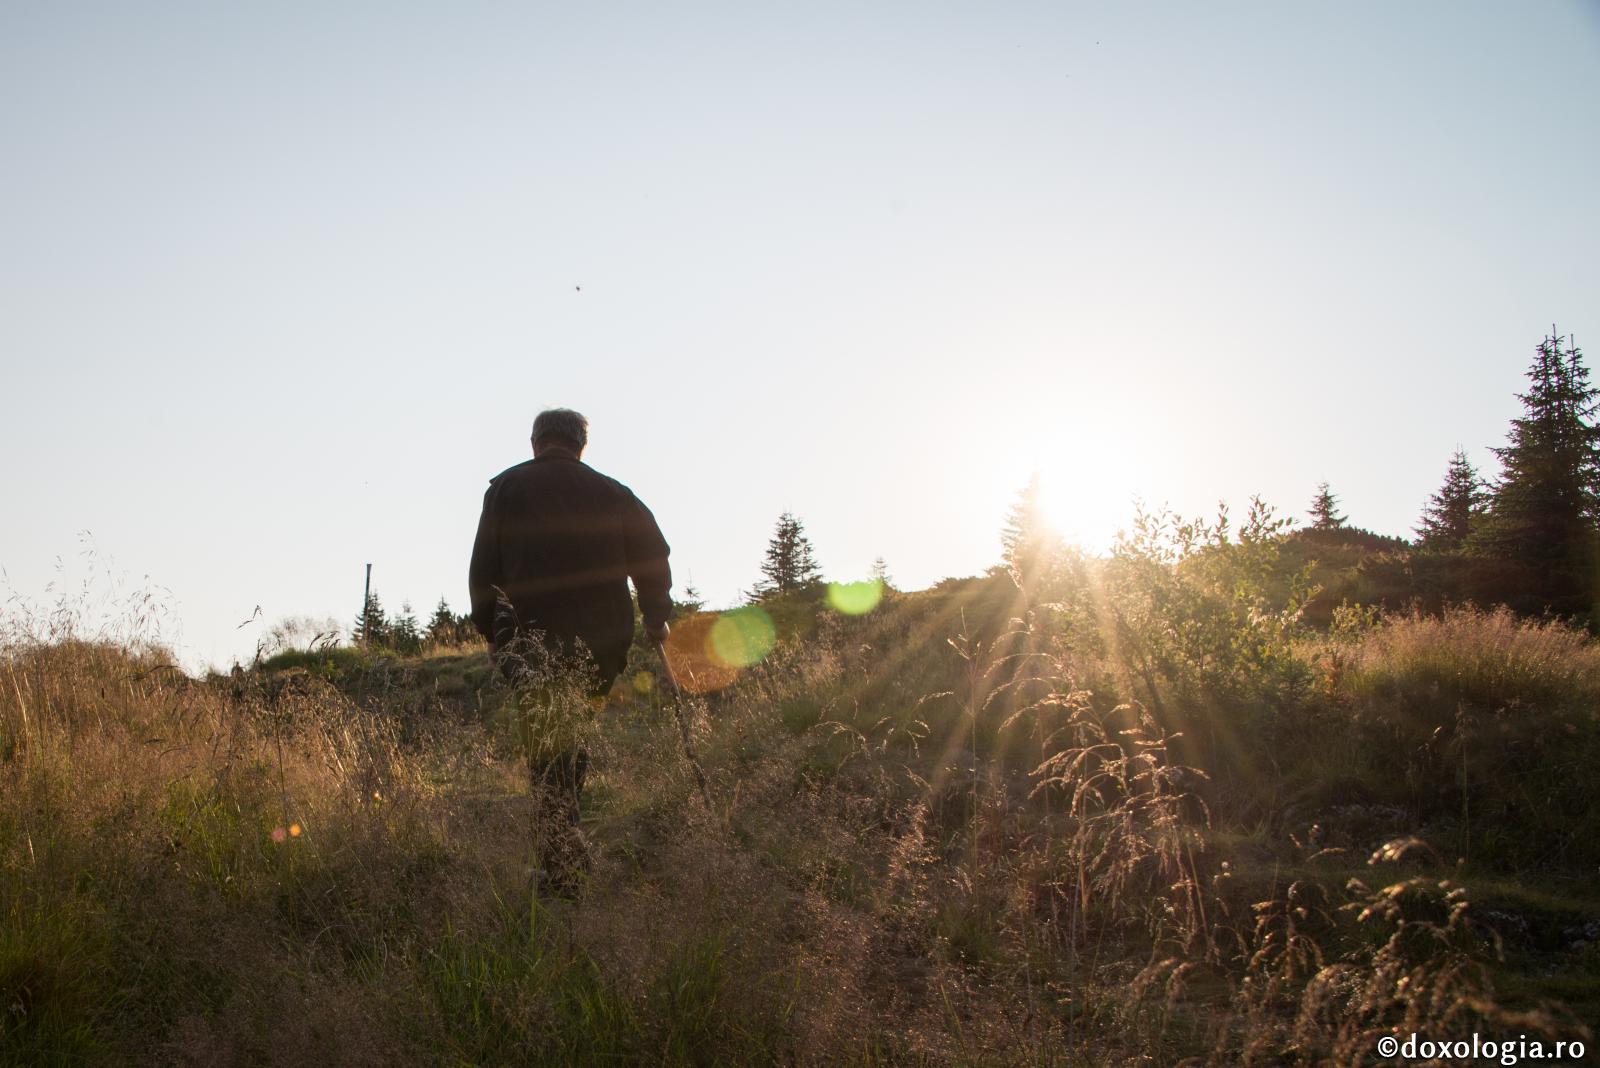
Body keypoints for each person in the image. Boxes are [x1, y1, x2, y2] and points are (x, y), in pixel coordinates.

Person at [468, 407, 672, 893]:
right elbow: (653, 554)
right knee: (569, 735)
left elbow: (483, 570)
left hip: (529, 639)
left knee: (547, 743)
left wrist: (492, 635)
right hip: (601, 644)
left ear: (536, 441)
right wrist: (656, 616)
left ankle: (560, 868)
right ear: (581, 446)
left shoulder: (506, 489)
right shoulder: (614, 493)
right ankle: (563, 854)